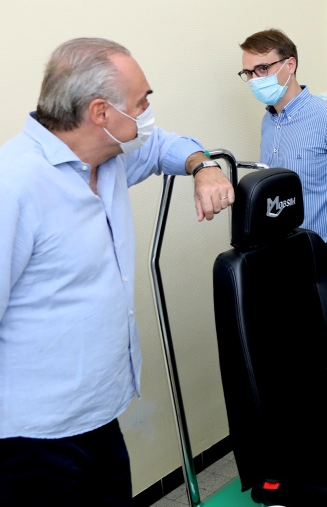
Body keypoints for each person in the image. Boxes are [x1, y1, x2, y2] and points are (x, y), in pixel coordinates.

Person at [0, 38, 234, 506]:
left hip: (101, 415)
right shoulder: (15, 185)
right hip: (33, 439)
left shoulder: (108, 159)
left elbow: (167, 144)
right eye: (142, 101)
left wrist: (204, 167)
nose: (148, 111)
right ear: (101, 112)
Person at [239, 29, 327, 273]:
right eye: (248, 73)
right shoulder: (268, 121)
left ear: (290, 65)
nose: (254, 79)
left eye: (262, 69)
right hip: (282, 250)